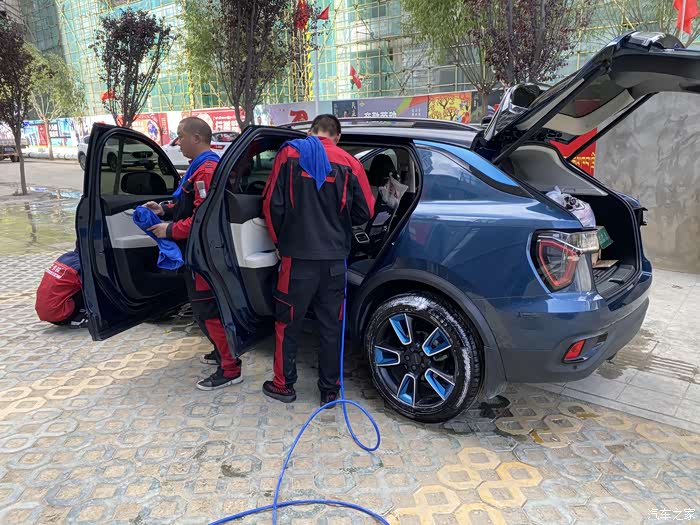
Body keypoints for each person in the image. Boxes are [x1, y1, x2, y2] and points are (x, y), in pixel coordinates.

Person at [261, 114, 375, 406]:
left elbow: (271, 203)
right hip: (335, 261)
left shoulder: (290, 154)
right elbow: (366, 211)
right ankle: (329, 391)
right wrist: (339, 221)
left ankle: (283, 386)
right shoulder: (350, 163)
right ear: (338, 137)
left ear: (311, 131)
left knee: (288, 323)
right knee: (331, 326)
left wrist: (279, 242)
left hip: (296, 260)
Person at [145, 116, 243, 391]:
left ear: (197, 138)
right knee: (206, 309)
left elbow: (203, 218)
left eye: (181, 136)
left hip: (205, 255)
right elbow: (189, 205)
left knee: (207, 310)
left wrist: (170, 229)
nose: (178, 142)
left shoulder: (206, 170)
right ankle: (221, 352)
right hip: (198, 251)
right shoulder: (198, 167)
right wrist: (165, 209)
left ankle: (230, 368)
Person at [35, 245, 88, 329]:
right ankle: (79, 319)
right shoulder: (82, 264)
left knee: (75, 284)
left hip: (47, 311)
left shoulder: (66, 256)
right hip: (61, 315)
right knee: (91, 284)